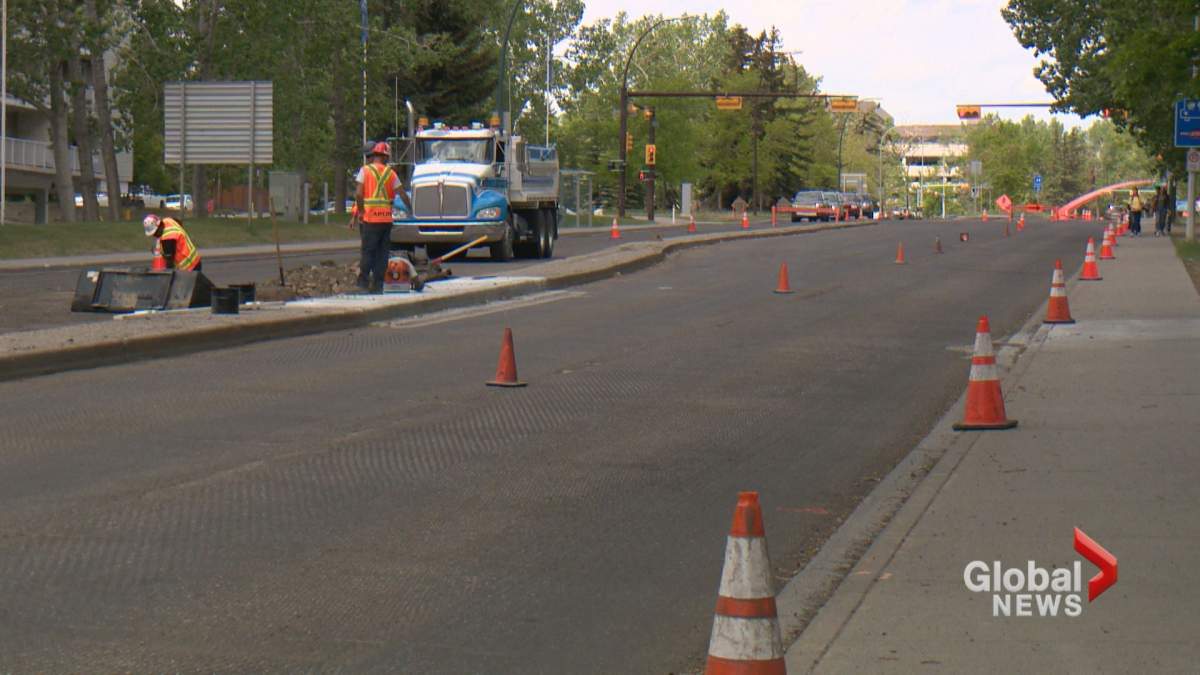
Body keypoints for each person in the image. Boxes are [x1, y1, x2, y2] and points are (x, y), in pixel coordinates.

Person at [353, 141, 411, 293]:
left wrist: (360, 211)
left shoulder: (365, 170)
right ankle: (378, 285)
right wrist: (410, 210)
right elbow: (403, 194)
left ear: (375, 155)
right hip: (386, 220)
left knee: (368, 251)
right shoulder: (390, 173)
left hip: (370, 219)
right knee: (382, 254)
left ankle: (363, 282)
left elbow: (359, 193)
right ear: (385, 157)